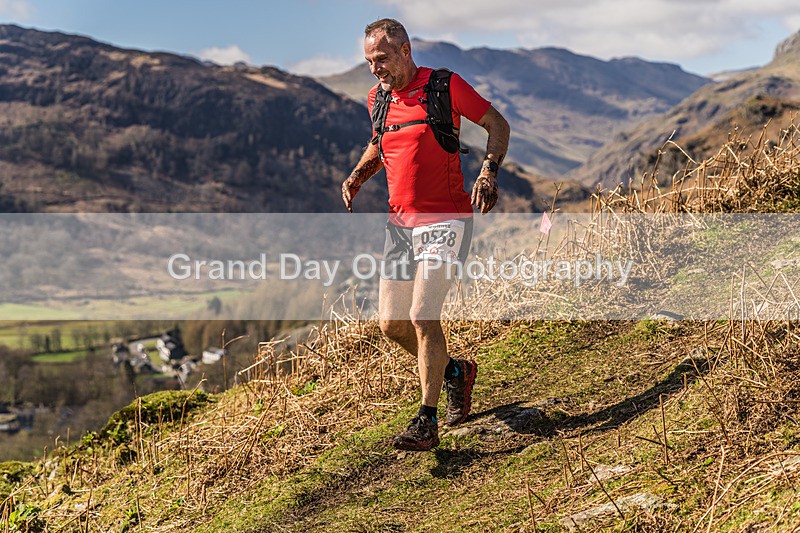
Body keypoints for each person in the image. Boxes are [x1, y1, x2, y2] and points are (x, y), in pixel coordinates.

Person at [342, 18, 510, 451]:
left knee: (421, 316)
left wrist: (488, 172)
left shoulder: (444, 85)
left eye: (381, 59)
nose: (375, 68)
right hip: (399, 228)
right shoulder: (377, 98)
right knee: (392, 325)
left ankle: (426, 420)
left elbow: (497, 124)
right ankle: (456, 372)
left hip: (446, 221)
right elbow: (381, 144)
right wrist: (359, 175)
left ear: (404, 50)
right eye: (368, 62)